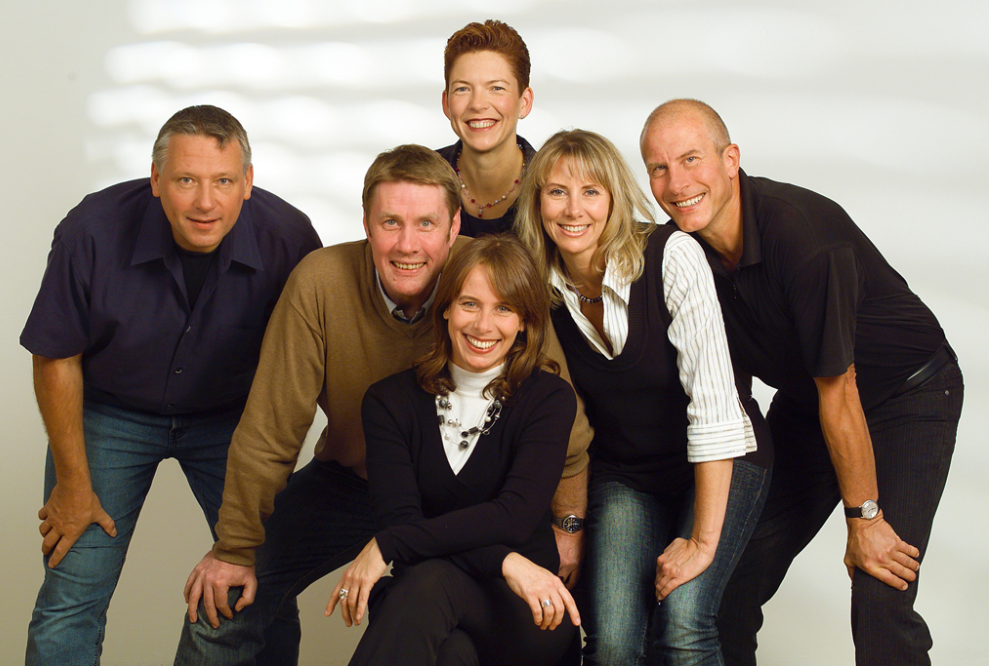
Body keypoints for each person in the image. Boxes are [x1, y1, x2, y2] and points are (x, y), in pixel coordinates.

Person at [174, 144, 592, 666]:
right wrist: (235, 549)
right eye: (390, 222)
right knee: (225, 597)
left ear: (453, 226)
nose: (407, 244)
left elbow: (565, 436)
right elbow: (270, 431)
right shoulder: (321, 283)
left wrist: (567, 528)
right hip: (355, 483)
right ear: (367, 224)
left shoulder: (491, 276)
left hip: (474, 503)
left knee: (443, 627)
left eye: (426, 223)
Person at [639, 99, 963, 666]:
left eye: (691, 159)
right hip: (809, 403)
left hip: (908, 396)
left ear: (731, 159)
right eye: (659, 168)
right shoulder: (679, 254)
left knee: (880, 589)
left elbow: (842, 389)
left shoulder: (802, 236)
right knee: (730, 581)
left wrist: (865, 518)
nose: (677, 183)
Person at [20, 104, 322, 665]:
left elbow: (304, 366)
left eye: (223, 181)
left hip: (233, 419)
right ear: (156, 178)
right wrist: (73, 484)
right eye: (186, 180)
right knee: (71, 596)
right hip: (110, 411)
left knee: (265, 586)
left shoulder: (289, 238)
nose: (205, 202)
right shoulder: (91, 230)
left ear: (248, 182)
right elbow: (56, 354)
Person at [515, 129, 771, 666]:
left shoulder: (671, 255)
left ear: (615, 198)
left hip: (722, 459)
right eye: (557, 192)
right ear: (537, 203)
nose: (574, 209)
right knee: (611, 640)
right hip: (627, 474)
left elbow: (715, 410)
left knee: (683, 623)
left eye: (591, 191)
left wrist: (701, 542)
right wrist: (567, 522)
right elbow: (555, 419)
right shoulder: (536, 287)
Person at [326, 235, 580, 666]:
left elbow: (514, 516)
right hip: (438, 601)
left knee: (428, 581)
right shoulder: (390, 402)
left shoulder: (548, 399)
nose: (483, 325)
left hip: (524, 610)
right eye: (469, 304)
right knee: (450, 649)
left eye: (504, 308)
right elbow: (402, 522)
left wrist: (389, 544)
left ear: (524, 321)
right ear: (445, 308)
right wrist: (506, 561)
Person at [437, 19, 535, 237]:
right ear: (447, 103)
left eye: (496, 88)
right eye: (462, 89)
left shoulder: (555, 186)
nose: (478, 104)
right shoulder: (417, 180)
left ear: (524, 102)